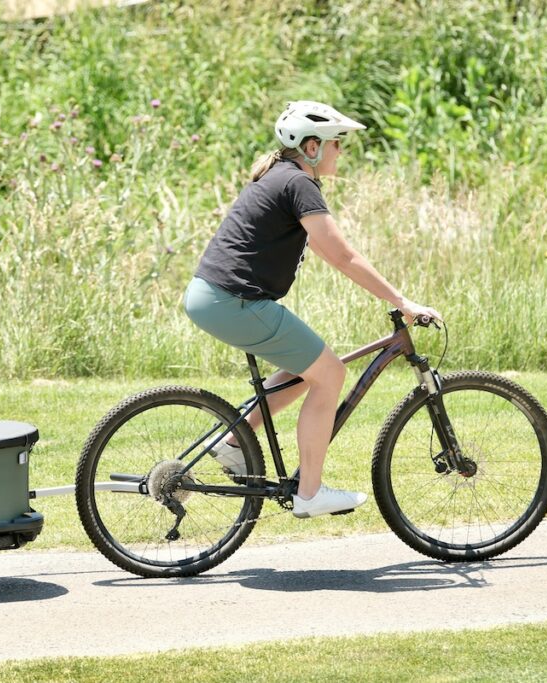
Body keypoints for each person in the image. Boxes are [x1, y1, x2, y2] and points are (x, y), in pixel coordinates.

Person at [183, 100, 442, 519]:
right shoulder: (299, 183)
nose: (341, 150)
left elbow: (330, 253)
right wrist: (401, 301)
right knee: (331, 373)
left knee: (309, 369)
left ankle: (232, 443)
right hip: (235, 301)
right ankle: (310, 493)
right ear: (311, 147)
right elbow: (343, 256)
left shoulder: (281, 176)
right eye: (337, 143)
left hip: (214, 298)